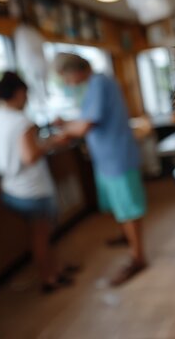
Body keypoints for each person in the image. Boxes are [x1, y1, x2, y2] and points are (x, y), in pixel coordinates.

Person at [54, 53, 147, 286]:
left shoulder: (98, 84)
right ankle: (127, 238)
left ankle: (138, 257)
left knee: (128, 208)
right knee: (120, 205)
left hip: (117, 157)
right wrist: (67, 126)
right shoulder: (98, 84)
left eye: (65, 78)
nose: (66, 83)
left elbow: (87, 124)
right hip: (109, 157)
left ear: (74, 71)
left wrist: (64, 131)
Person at [0, 72, 73, 293]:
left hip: (10, 188)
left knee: (38, 237)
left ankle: (56, 268)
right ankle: (50, 278)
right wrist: (51, 143)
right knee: (41, 238)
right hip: (32, 190)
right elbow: (29, 156)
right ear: (20, 92)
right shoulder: (21, 121)